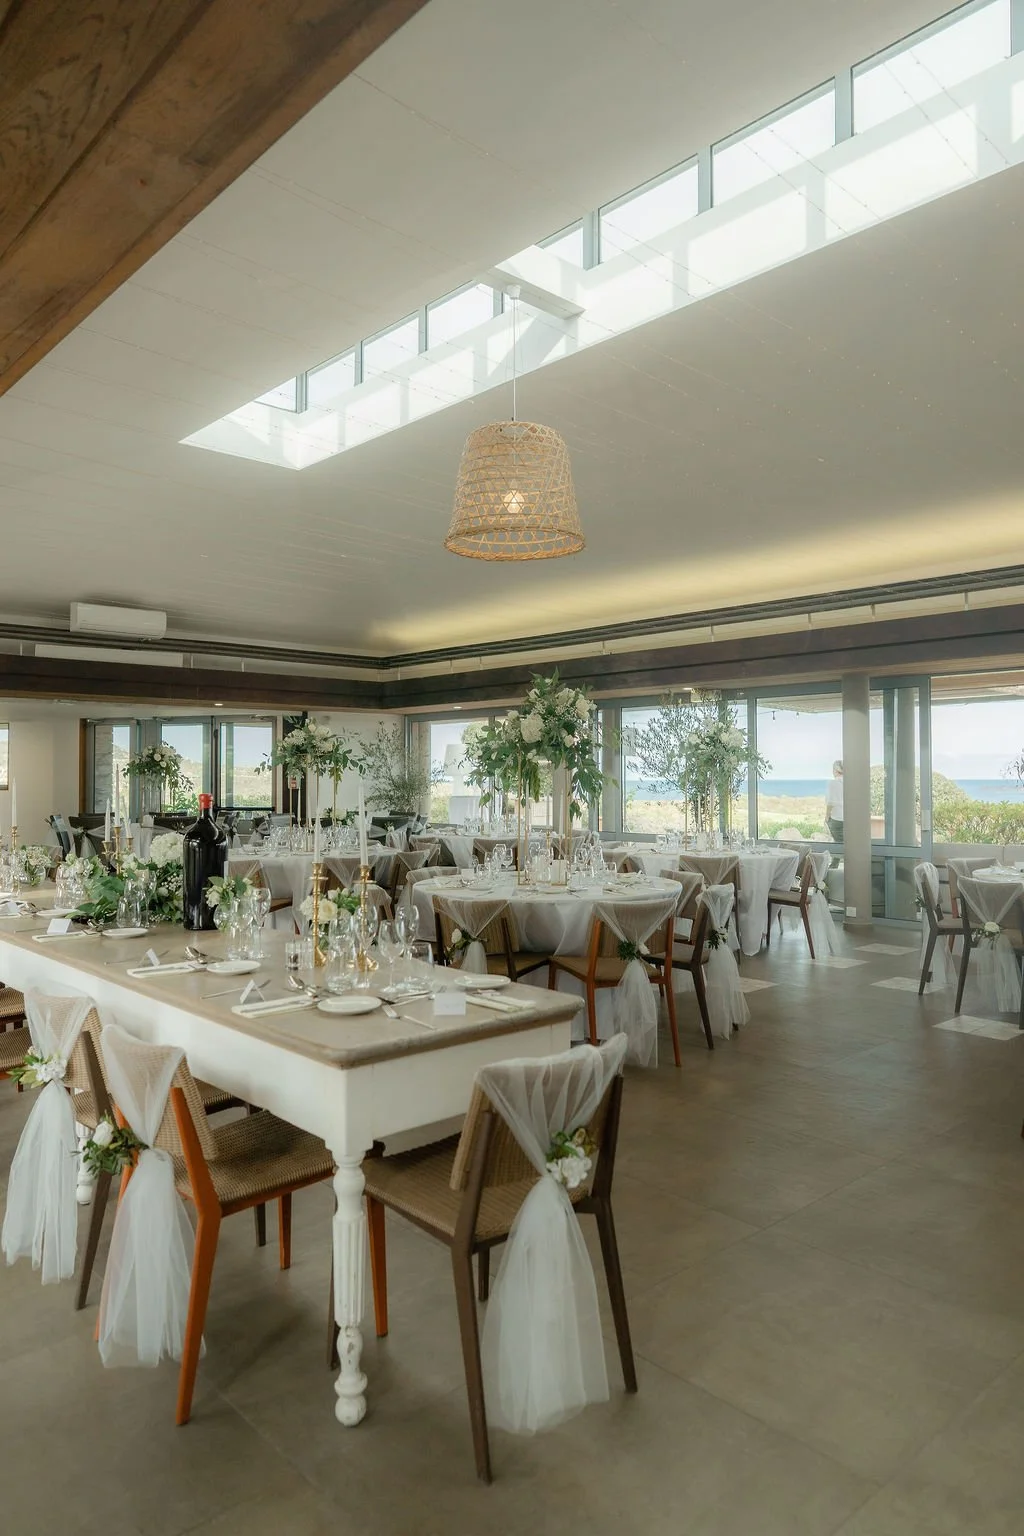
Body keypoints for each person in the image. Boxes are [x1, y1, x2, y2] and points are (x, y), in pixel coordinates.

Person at [825, 760, 843, 843]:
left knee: (839, 843)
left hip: (837, 819)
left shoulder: (833, 783)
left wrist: (827, 816)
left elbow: (830, 803)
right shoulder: (851, 782)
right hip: (850, 819)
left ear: (835, 770)